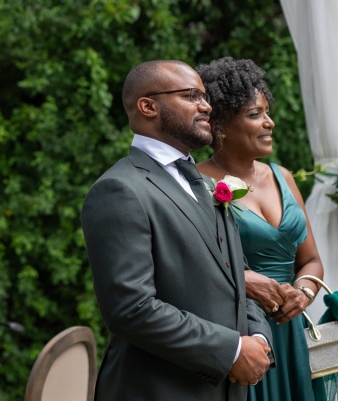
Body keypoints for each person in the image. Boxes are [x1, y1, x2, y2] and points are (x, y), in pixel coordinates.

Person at [81, 59, 273, 401]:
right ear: (148, 106)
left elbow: (238, 277)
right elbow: (131, 309)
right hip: (160, 390)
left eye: (204, 96)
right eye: (191, 96)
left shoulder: (207, 185)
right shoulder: (120, 190)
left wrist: (257, 338)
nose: (206, 106)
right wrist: (230, 351)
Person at [195, 57, 325, 401]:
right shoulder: (197, 184)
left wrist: (304, 293)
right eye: (255, 114)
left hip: (291, 331)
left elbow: (311, 260)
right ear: (220, 124)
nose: (269, 123)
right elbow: (195, 266)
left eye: (267, 112)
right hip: (242, 335)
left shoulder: (283, 177)